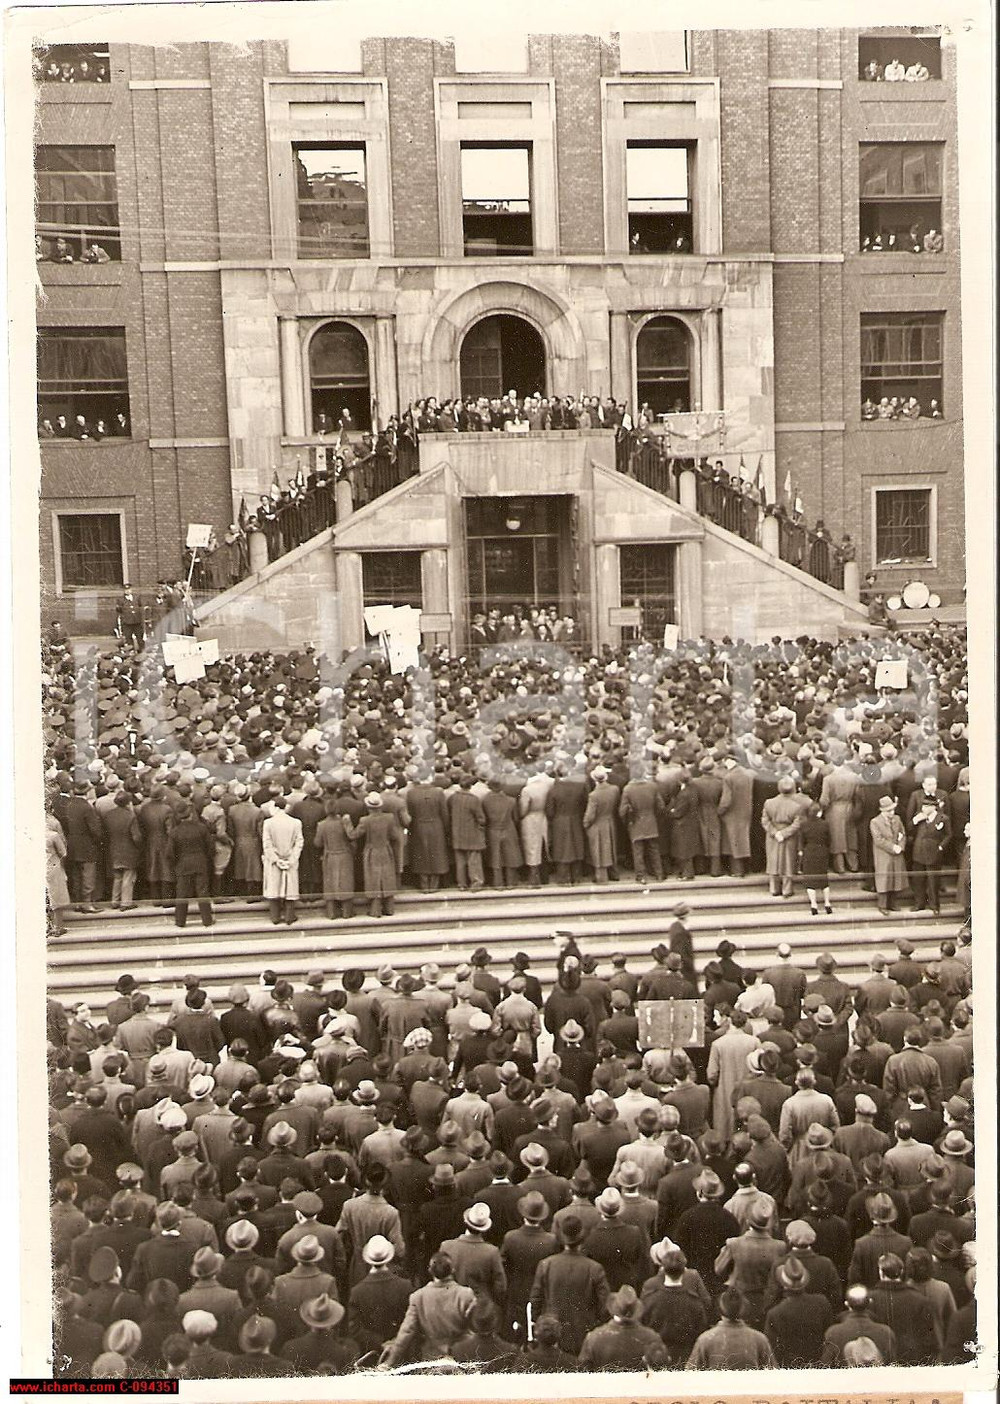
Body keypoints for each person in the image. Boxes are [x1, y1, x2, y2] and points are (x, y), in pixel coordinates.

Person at [261, 795, 304, 926]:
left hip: (274, 860)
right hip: (290, 858)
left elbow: (266, 844)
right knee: (289, 887)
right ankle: (290, 916)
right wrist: (292, 859)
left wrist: (275, 859)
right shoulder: (296, 822)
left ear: (275, 807)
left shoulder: (268, 823)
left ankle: (275, 917)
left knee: (274, 886)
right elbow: (299, 842)